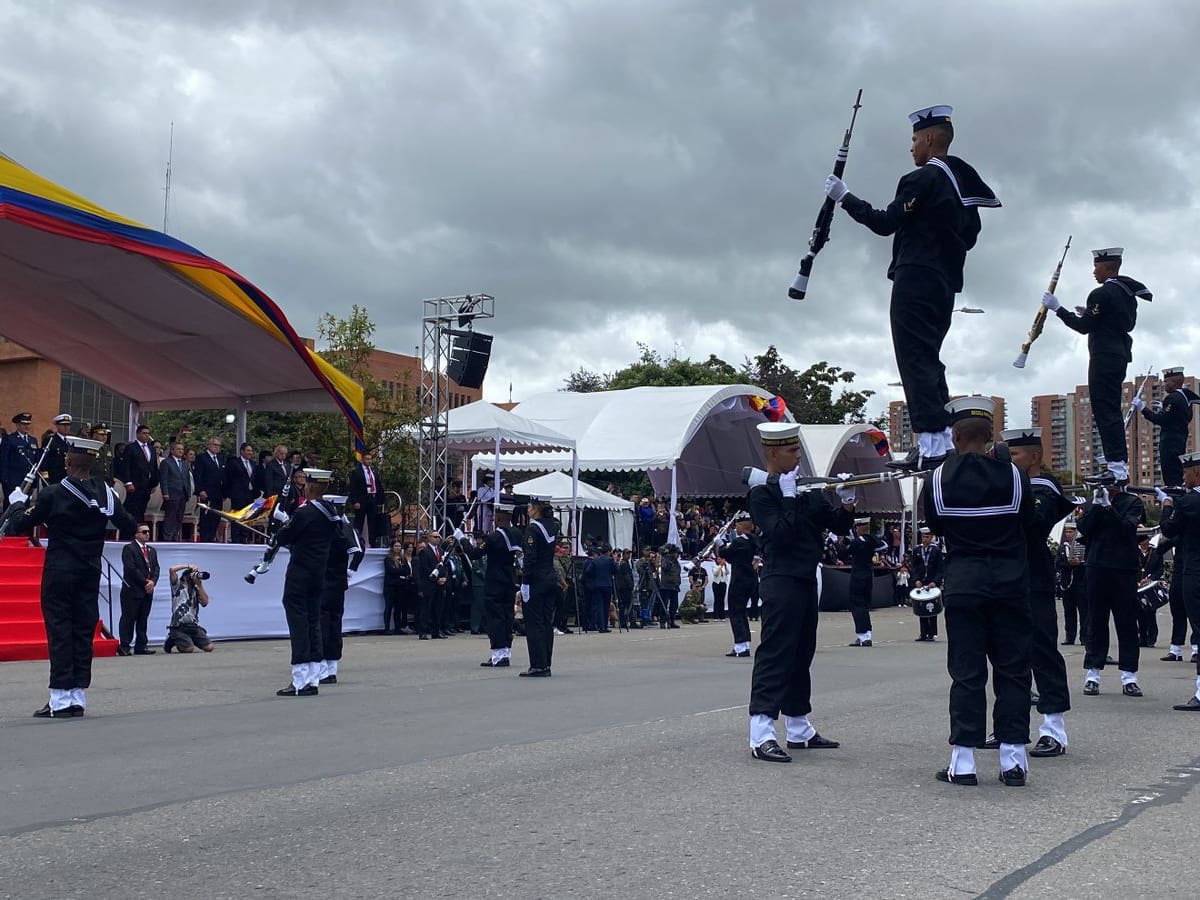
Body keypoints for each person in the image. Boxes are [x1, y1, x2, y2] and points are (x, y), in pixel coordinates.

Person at [826, 104, 1000, 471]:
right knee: (930, 358)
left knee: (913, 357)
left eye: (914, 139)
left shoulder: (921, 180)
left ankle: (932, 442)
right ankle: (937, 436)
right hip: (945, 282)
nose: (911, 147)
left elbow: (885, 223)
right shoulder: (963, 187)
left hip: (916, 276)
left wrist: (846, 198)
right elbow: (970, 238)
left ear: (930, 138)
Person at [924, 397, 1035, 786]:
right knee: (1014, 671)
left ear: (954, 436)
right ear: (990, 438)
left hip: (964, 582)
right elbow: (1027, 519)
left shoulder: (937, 478)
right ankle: (1013, 760)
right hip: (1009, 582)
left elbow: (936, 525)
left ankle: (964, 761)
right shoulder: (1016, 476)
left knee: (967, 672)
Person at [748, 422, 855, 763]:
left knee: (801, 654)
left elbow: (836, 524)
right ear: (773, 453)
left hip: (807, 579)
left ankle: (798, 727)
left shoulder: (805, 491)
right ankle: (761, 731)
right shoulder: (762, 494)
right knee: (776, 654)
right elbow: (781, 534)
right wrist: (790, 497)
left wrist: (847, 502)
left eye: (798, 449)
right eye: (792, 451)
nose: (798, 456)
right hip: (781, 580)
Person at [8, 436, 137, 717]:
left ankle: (60, 698)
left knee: (60, 631)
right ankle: (77, 696)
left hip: (60, 571)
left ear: (68, 463)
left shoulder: (53, 493)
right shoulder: (105, 493)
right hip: (90, 570)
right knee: (82, 631)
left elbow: (18, 525)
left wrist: (17, 502)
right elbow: (129, 525)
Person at [1042, 247, 1152, 483]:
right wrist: (1090, 316)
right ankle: (1116, 464)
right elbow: (1117, 322)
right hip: (1120, 354)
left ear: (1109, 267)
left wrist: (1058, 309)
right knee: (1109, 410)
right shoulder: (1127, 293)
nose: (1094, 271)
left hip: (1103, 356)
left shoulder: (1101, 294)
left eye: (1097, 266)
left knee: (1104, 411)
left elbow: (1084, 327)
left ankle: (1116, 468)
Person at [1001, 427, 1076, 759]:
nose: (1008, 460)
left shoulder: (1043, 487)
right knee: (1006, 657)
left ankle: (1054, 728)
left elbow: (1036, 519)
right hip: (1006, 578)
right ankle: (1008, 725)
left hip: (1033, 578)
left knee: (1042, 652)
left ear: (1035, 456)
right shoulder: (1007, 483)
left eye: (1015, 455)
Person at [1077, 471, 1146, 697]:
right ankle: (1093, 674)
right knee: (1095, 621)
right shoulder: (1093, 503)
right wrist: (1097, 507)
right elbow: (1084, 530)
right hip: (1097, 566)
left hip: (1124, 568)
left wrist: (1109, 508)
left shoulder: (1132, 502)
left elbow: (1127, 529)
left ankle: (1129, 677)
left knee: (1126, 622)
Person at [272, 469, 341, 696]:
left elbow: (284, 537)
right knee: (313, 622)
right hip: (318, 574)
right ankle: (312, 677)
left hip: (300, 573)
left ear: (309, 487)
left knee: (298, 622)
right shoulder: (332, 512)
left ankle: (300, 679)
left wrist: (282, 522)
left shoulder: (306, 513)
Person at [1159, 452, 1200, 711]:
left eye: (1186, 472)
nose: (1183, 476)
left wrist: (1167, 507)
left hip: (1195, 571)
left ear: (1196, 473)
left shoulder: (1188, 502)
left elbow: (1168, 530)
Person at [460, 503, 524, 667]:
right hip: (509, 580)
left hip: (495, 582)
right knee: (507, 617)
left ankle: (498, 654)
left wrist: (462, 539)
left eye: (495, 517)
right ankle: (505, 653)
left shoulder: (495, 537)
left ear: (500, 519)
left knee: (495, 618)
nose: (493, 520)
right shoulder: (516, 533)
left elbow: (475, 554)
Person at [317, 496, 364, 685]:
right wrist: (350, 570)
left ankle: (322, 667)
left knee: (322, 624)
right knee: (335, 623)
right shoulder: (346, 528)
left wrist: (350, 569)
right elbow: (358, 551)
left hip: (324, 581)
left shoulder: (328, 528)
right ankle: (331, 667)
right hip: (338, 583)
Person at [1134, 367, 1198, 488]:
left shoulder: (1172, 398)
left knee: (1171, 475)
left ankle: (1174, 496)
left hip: (1170, 442)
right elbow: (1186, 417)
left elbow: (1161, 420)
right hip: (1179, 441)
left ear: (1174, 382)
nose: (1164, 384)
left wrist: (1142, 408)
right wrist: (1165, 408)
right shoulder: (1185, 397)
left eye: (1166, 381)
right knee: (1178, 472)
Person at [519, 497, 562, 678]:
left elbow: (530, 557)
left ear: (536, 508)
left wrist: (525, 581)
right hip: (550, 577)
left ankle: (537, 665)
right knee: (546, 623)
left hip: (536, 579)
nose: (528, 510)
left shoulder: (533, 528)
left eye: (529, 507)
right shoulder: (552, 526)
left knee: (534, 623)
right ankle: (546, 663)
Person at [841, 518, 888, 646]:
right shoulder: (872, 540)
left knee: (856, 605)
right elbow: (884, 545)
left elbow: (843, 553)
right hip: (868, 575)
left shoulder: (857, 542)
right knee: (864, 605)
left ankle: (862, 636)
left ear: (860, 529)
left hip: (858, 576)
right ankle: (866, 634)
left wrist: (839, 542)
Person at [118, 523, 160, 655]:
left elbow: (156, 568)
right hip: (133, 589)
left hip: (147, 591)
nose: (147, 534)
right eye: (144, 532)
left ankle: (141, 645)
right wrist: (145, 582)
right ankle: (125, 645)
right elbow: (131, 569)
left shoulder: (152, 551)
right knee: (128, 618)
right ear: (136, 534)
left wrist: (153, 581)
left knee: (143, 619)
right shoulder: (129, 549)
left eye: (148, 532)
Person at [720, 511, 757, 658]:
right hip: (751, 580)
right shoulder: (753, 540)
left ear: (741, 527)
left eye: (737, 526)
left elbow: (724, 554)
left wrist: (720, 542)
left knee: (736, 612)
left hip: (739, 581)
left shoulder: (739, 542)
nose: (736, 529)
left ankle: (741, 646)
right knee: (742, 613)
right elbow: (733, 558)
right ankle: (744, 644)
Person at [163, 564, 214, 653]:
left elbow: (205, 603)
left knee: (209, 647)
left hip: (193, 626)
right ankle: (172, 639)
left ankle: (186, 640)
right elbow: (172, 570)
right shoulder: (177, 585)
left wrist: (200, 585)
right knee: (189, 649)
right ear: (185, 577)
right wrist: (188, 566)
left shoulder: (196, 590)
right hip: (178, 626)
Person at [1055, 521, 1087, 646]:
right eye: (1067, 531)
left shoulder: (1082, 545)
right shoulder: (1063, 547)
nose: (1069, 534)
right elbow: (1057, 563)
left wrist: (1079, 563)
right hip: (1067, 584)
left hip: (1080, 583)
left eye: (1071, 531)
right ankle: (1070, 636)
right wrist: (1068, 564)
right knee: (1069, 611)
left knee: (1084, 611)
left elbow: (1087, 560)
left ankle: (1084, 636)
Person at [223, 442, 263, 543]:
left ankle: (245, 538)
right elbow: (228, 478)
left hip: (249, 496)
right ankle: (236, 539)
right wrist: (229, 492)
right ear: (242, 451)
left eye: (251, 451)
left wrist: (255, 492)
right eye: (248, 450)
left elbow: (255, 479)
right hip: (237, 495)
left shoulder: (253, 464)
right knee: (237, 517)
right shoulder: (234, 462)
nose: (250, 452)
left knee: (247, 517)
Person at [910, 527, 944, 641]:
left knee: (932, 608)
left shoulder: (936, 551)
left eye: (927, 537)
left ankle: (932, 633)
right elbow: (913, 567)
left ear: (931, 538)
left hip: (932, 582)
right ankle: (923, 633)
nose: (925, 539)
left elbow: (940, 569)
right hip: (921, 582)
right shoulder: (917, 550)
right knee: (921, 608)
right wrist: (916, 580)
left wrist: (936, 581)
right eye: (923, 537)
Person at [120, 424, 159, 524]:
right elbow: (126, 466)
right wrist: (128, 483)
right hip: (135, 484)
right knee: (133, 509)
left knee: (142, 509)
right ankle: (130, 533)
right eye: (144, 433)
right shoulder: (131, 448)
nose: (146, 435)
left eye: (148, 433)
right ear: (138, 434)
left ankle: (140, 530)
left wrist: (154, 483)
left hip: (147, 485)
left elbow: (154, 466)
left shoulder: (151, 449)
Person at [415, 528, 447, 640]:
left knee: (438, 608)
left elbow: (444, 566)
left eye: (439, 537)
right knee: (426, 608)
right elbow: (425, 568)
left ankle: (436, 631)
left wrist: (444, 577)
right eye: (435, 536)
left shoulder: (441, 551)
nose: (438, 538)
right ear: (429, 538)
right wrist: (436, 579)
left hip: (440, 584)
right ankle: (423, 631)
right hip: (429, 584)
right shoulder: (425, 551)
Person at [348, 449, 385, 546]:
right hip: (362, 498)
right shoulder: (357, 471)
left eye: (370, 459)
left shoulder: (374, 471)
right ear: (362, 460)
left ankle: (372, 542)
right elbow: (353, 487)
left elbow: (378, 484)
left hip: (372, 497)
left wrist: (380, 499)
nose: (369, 461)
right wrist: (355, 501)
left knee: (372, 521)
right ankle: (356, 542)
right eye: (367, 459)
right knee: (359, 521)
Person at [157, 441, 193, 542]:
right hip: (172, 493)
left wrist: (188, 493)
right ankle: (167, 537)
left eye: (182, 449)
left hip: (183, 494)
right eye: (178, 449)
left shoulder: (185, 464)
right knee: (170, 516)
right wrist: (165, 493)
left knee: (179, 516)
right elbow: (163, 479)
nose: (181, 451)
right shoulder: (166, 462)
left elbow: (187, 480)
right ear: (172, 451)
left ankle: (175, 536)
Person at [1, 412, 41, 499]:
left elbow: (36, 461)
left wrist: (35, 480)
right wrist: (5, 480)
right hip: (13, 481)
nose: (26, 426)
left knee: (25, 506)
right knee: (11, 506)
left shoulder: (33, 440)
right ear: (17, 425)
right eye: (23, 424)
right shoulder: (9, 439)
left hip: (28, 481)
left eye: (28, 424)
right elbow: (3, 461)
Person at [193, 436, 225, 542]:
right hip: (206, 493)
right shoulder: (202, 458)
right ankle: (205, 539)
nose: (217, 447)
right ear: (209, 445)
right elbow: (197, 476)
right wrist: (200, 490)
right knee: (206, 519)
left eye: (219, 446)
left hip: (218, 494)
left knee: (216, 518)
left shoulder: (220, 458)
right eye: (215, 445)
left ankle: (212, 538)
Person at [1135, 529, 1163, 647]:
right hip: (1137, 585)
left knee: (1150, 612)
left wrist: (1150, 578)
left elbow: (1160, 569)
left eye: (1145, 541)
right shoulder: (1134, 552)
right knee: (1139, 613)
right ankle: (1142, 637)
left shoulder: (1155, 552)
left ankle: (1152, 638)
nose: (1144, 544)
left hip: (1150, 584)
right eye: (1142, 542)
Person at [383, 540, 415, 634]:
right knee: (388, 607)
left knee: (398, 608)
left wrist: (399, 570)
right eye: (396, 546)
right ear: (392, 547)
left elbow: (407, 571)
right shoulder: (388, 558)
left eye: (399, 546)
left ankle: (397, 627)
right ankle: (387, 628)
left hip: (400, 586)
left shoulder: (403, 558)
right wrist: (400, 570)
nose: (398, 548)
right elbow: (391, 571)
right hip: (390, 586)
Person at [41, 413, 74, 484]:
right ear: (57, 426)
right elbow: (44, 461)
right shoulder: (50, 440)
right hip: (55, 477)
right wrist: (46, 478)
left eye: (68, 425)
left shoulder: (72, 441)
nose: (66, 427)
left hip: (69, 478)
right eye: (63, 425)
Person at [657, 544, 682, 629]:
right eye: (676, 553)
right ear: (672, 553)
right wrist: (666, 553)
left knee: (674, 605)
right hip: (666, 586)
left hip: (675, 586)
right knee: (664, 604)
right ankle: (663, 622)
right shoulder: (666, 559)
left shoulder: (676, 562)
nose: (678, 555)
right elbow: (665, 567)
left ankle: (672, 621)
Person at [613, 548, 636, 630]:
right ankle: (630, 621)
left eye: (629, 553)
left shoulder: (622, 563)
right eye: (627, 553)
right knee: (628, 604)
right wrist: (631, 585)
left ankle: (624, 621)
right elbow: (627, 576)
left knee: (624, 605)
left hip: (622, 587)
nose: (629, 555)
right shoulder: (624, 564)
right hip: (625, 588)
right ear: (624, 554)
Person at [711, 554, 729, 620]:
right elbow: (715, 573)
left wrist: (725, 566)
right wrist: (720, 566)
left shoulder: (724, 566)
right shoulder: (714, 566)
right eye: (718, 559)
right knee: (717, 599)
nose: (720, 560)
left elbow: (727, 572)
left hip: (723, 583)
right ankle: (715, 616)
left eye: (720, 559)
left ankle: (722, 616)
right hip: (716, 583)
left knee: (722, 600)